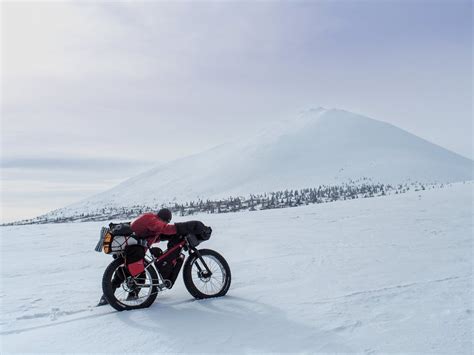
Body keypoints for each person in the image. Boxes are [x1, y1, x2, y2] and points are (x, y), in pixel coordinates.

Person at [97, 208, 210, 306]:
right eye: (166, 221)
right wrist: (186, 226)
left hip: (132, 249)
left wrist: (170, 237)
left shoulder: (151, 222)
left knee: (132, 271)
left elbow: (157, 236)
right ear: (165, 218)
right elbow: (165, 229)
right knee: (131, 271)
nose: (166, 223)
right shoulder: (151, 219)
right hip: (134, 249)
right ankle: (112, 296)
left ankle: (117, 296)